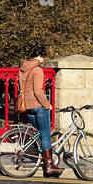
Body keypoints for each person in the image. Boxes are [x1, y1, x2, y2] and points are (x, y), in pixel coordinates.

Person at [17, 47, 60, 177]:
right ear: (39, 56)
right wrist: (48, 105)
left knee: (40, 133)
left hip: (27, 106)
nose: (44, 60)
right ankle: (49, 166)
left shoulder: (22, 69)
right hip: (37, 105)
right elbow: (38, 91)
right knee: (46, 134)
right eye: (44, 57)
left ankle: (38, 154)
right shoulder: (37, 70)